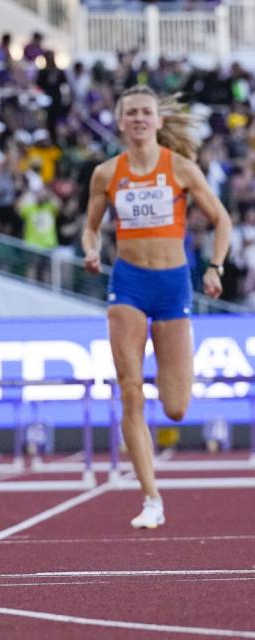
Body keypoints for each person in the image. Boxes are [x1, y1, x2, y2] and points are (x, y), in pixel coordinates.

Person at [82, 86, 232, 529]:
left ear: (159, 121)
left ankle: (175, 379)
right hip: (127, 284)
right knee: (130, 391)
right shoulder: (107, 173)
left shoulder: (181, 168)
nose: (140, 119)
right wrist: (91, 251)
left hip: (173, 286)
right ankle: (151, 498)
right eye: (131, 113)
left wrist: (216, 267)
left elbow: (222, 219)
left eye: (147, 112)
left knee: (176, 407)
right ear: (120, 121)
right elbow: (91, 229)